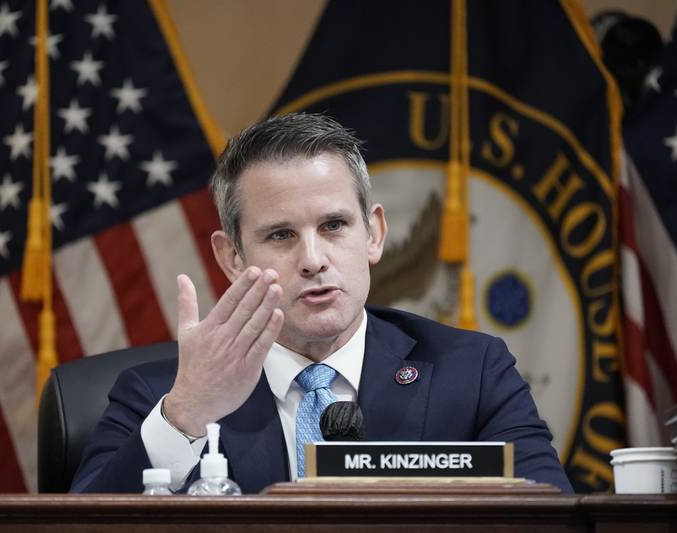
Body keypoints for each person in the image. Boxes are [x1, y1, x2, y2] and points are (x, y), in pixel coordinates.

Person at [70, 113, 573, 494]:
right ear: (231, 257)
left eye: (333, 226)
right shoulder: (159, 396)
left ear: (373, 234)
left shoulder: (471, 372)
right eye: (281, 234)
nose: (312, 260)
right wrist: (186, 414)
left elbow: (551, 520)